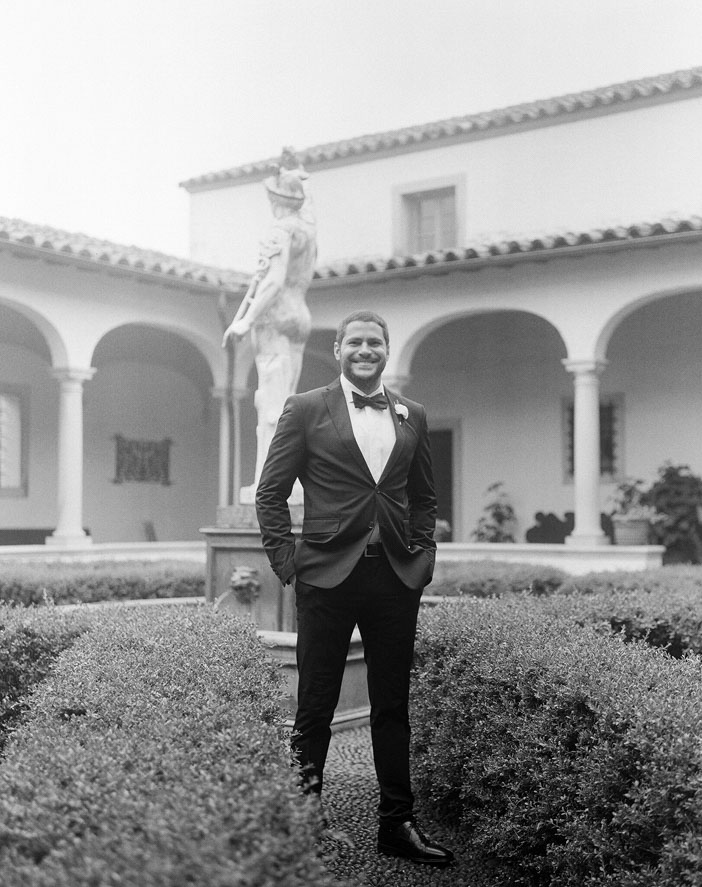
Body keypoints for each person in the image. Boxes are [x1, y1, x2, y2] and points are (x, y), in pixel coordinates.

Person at [255, 309, 455, 867]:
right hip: (325, 575)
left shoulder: (411, 414)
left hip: (394, 576)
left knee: (393, 706)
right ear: (338, 349)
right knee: (314, 706)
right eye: (356, 342)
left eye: (376, 343)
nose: (366, 350)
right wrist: (288, 564)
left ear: (387, 352)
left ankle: (397, 824)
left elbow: (425, 498)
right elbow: (270, 494)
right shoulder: (305, 408)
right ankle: (305, 822)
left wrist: (423, 558)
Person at [222, 148, 316, 502]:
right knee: (286, 401)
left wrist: (246, 320)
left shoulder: (279, 230)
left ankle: (273, 480)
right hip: (299, 313)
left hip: (275, 318)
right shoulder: (307, 230)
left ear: (275, 200)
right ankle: (285, 479)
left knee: (272, 405)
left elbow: (273, 281)